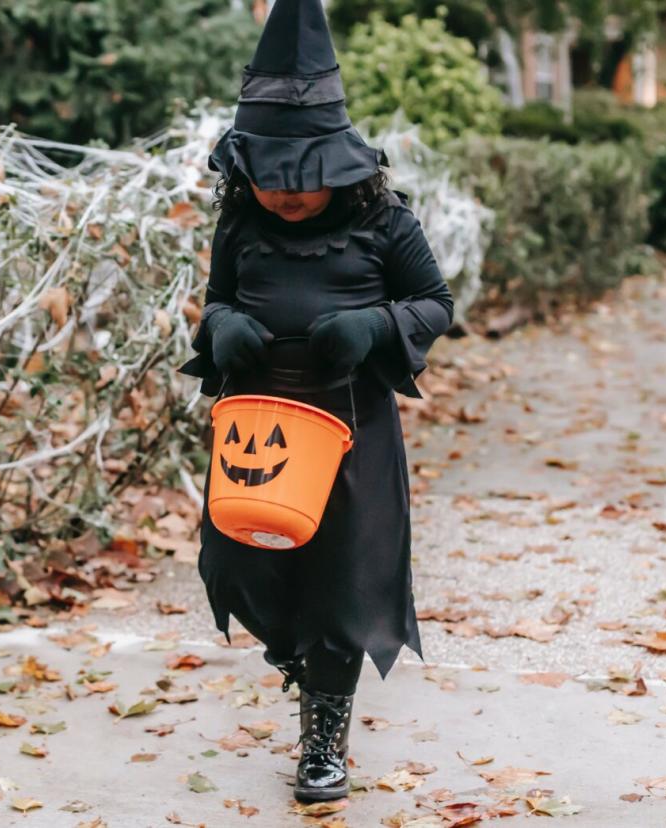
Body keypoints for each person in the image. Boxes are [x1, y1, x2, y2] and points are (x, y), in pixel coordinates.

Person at [180, 0, 453, 804]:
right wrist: (223, 327)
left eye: (300, 182)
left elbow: (434, 302)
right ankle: (306, 661)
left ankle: (323, 738)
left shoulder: (383, 222)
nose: (284, 196)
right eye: (266, 179)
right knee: (240, 562)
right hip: (259, 424)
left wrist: (375, 325)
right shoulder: (239, 223)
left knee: (341, 577)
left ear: (338, 164)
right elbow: (217, 300)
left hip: (349, 426)